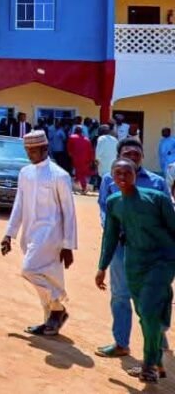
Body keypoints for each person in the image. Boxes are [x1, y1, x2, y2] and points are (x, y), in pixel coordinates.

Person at [96, 158, 175, 383]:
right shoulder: (113, 202)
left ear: (135, 174)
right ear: (112, 176)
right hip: (134, 264)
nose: (122, 177)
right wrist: (102, 267)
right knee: (145, 314)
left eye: (127, 173)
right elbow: (110, 236)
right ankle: (157, 359)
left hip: (162, 261)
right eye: (118, 173)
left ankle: (148, 364)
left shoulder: (157, 198)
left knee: (149, 310)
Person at [1, 130, 77, 337]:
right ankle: (49, 321)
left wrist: (69, 245)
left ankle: (58, 308)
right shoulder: (25, 173)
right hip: (31, 234)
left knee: (29, 270)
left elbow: (69, 212)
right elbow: (19, 204)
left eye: (33, 150)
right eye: (27, 150)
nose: (29, 154)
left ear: (45, 149)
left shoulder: (59, 175)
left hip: (52, 236)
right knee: (45, 276)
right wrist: (9, 234)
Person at [67, 126, 94, 195]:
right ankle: (78, 187)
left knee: (79, 173)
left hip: (77, 158)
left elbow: (69, 149)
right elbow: (91, 151)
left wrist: (71, 155)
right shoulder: (87, 139)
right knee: (81, 173)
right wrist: (91, 160)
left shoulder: (72, 137)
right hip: (86, 159)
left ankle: (83, 188)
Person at [95, 124, 118, 190]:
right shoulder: (115, 139)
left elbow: (99, 151)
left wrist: (96, 160)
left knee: (102, 178)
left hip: (103, 161)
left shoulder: (101, 138)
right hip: (113, 162)